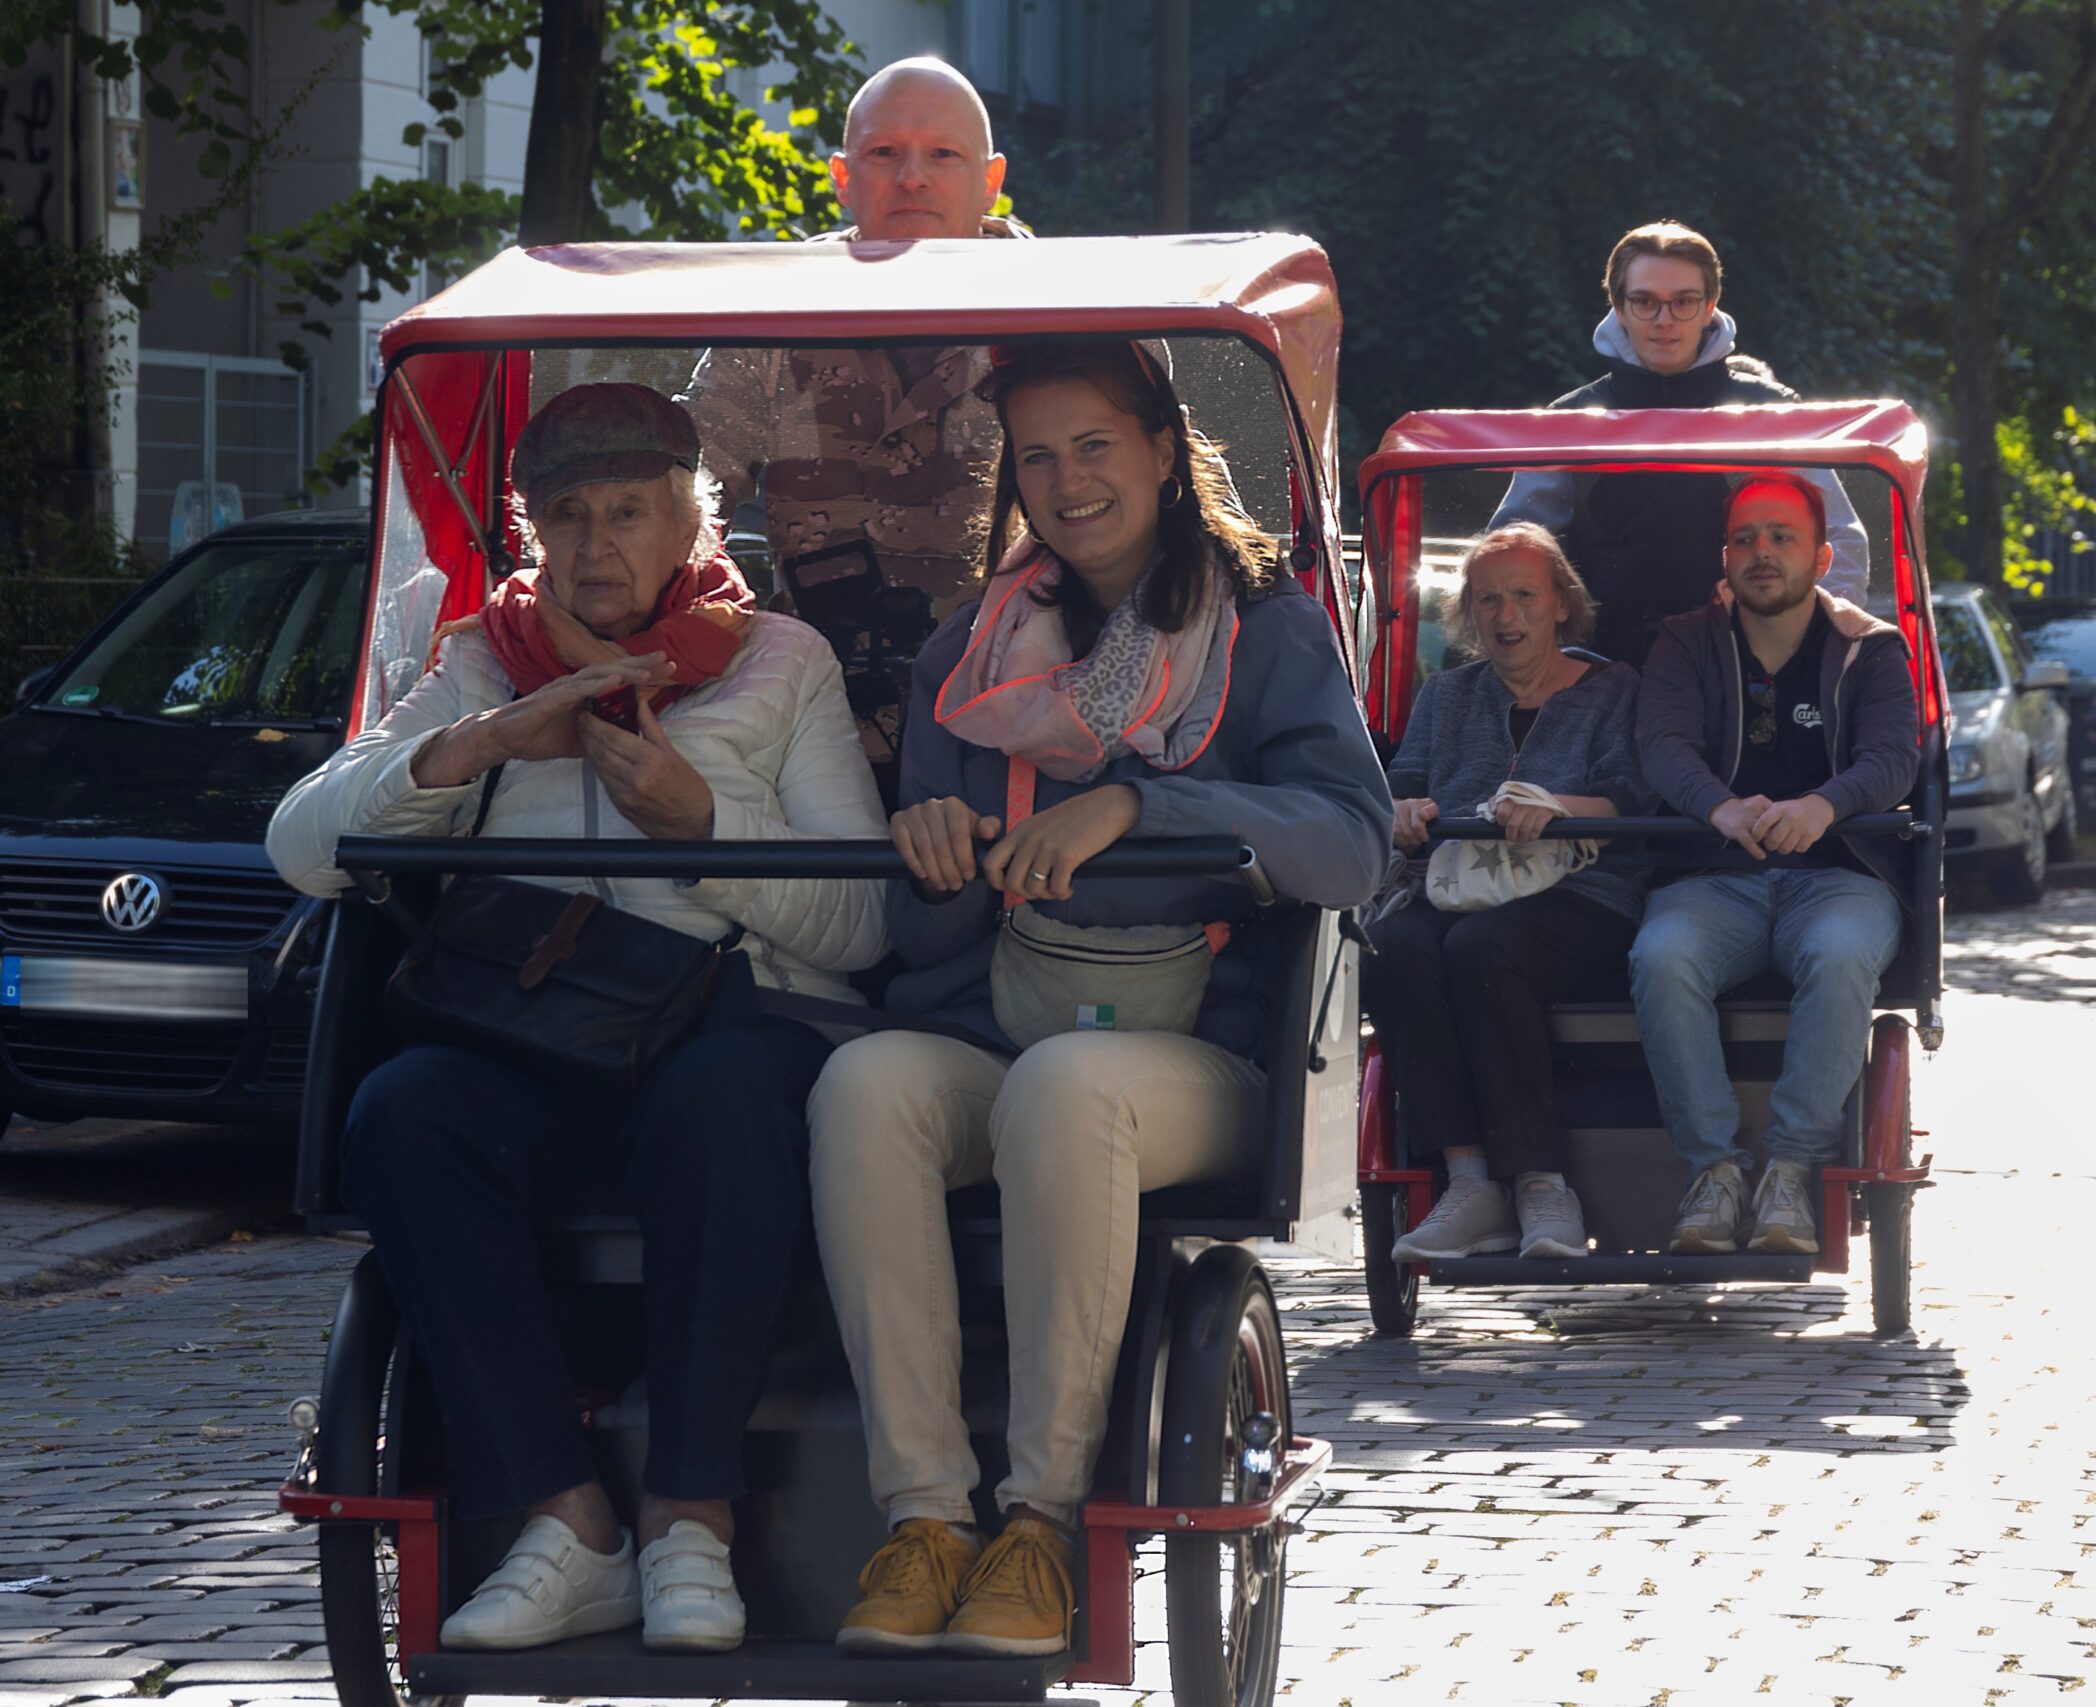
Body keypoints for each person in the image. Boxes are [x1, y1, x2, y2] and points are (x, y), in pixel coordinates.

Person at [266, 383, 891, 1654]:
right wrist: (478, 747)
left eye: (628, 512)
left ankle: (691, 1520)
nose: (598, 545)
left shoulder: (783, 659)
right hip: (544, 1034)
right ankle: (570, 1522)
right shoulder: (480, 662)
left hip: (735, 1024)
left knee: (721, 1102)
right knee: (400, 1112)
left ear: (687, 525)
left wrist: (700, 829)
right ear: (531, 534)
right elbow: (298, 847)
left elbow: (863, 930)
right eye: (568, 517)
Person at [806, 341, 1390, 1658]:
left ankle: (1044, 1522)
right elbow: (916, 936)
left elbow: (1354, 844)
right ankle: (925, 1517)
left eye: (1094, 446)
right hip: (999, 1013)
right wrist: (943, 847)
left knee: (1067, 1092)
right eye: (1035, 454)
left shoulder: (1267, 623)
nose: (1065, 481)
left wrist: (1143, 800)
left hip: (1195, 1042)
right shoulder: (970, 650)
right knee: (864, 1081)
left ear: (1166, 451)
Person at [1627, 471, 1918, 1256]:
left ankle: (1792, 1167)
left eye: (1782, 537)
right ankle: (1715, 1173)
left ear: (1822, 557)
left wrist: (1824, 804)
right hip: (1714, 876)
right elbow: (1662, 744)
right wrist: (1719, 806)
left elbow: (1895, 758)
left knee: (1841, 952)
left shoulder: (1871, 647)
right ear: (1724, 557)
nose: (1763, 553)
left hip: (1840, 876)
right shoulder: (1685, 642)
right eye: (1746, 538)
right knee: (1662, 955)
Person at [1365, 523, 1651, 1263]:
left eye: (1524, 595)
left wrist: (1559, 806)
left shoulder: (1611, 688)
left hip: (1582, 884)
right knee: (1394, 947)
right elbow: (1403, 786)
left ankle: (1541, 1183)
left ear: (1561, 604)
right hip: (1462, 879)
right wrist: (1401, 812)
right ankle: (1468, 1182)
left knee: (1482, 950)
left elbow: (1632, 795)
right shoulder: (1449, 694)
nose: (1505, 614)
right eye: (1488, 599)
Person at [682, 58, 1027, 629]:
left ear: (991, 181)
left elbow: (1156, 499)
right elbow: (683, 494)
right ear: (842, 179)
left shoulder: (1069, 316)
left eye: (943, 154)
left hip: (1018, 677)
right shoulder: (777, 316)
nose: (912, 177)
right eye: (884, 153)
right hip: (816, 684)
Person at [1491, 220, 1868, 662]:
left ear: (1710, 306)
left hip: (1745, 674)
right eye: (1645, 301)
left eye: (1683, 302)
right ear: (1618, 306)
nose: (1664, 320)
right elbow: (1510, 554)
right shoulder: (1570, 423)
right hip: (1600, 675)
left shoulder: (1769, 415)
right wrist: (1546, 665)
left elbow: (1840, 541)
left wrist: (1808, 651)